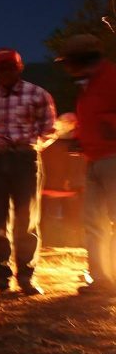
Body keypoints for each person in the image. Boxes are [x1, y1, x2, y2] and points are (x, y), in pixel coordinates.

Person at [0, 48, 56, 296]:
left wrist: (29, 145)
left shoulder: (37, 94)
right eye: (0, 69)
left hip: (25, 158)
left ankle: (27, 277)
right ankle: (0, 277)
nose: (4, 73)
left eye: (9, 67)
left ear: (19, 68)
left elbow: (49, 129)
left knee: (27, 219)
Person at [56, 34, 116, 293]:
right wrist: (79, 137)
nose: (66, 68)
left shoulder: (112, 78)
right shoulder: (87, 84)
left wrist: (107, 127)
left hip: (113, 158)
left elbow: (106, 117)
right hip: (92, 160)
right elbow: (93, 117)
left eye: (68, 62)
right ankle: (101, 279)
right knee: (93, 221)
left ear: (82, 60)